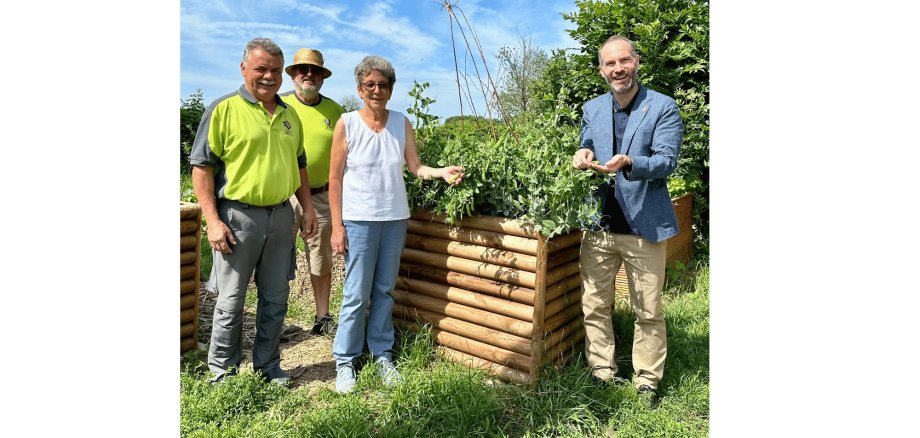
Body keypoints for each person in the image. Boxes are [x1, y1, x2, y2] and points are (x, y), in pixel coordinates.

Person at [328, 55, 464, 394]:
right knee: (356, 294)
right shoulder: (347, 123)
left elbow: (415, 166)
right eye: (370, 84)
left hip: (394, 218)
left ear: (390, 90)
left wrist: (441, 172)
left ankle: (382, 354)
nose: (377, 90)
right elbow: (334, 179)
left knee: (384, 290)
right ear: (360, 89)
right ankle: (345, 361)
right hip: (358, 219)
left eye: (383, 85)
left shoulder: (401, 123)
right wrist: (337, 226)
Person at [190, 37, 318, 386]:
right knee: (231, 302)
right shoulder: (223, 109)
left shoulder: (291, 115)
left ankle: (268, 366)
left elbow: (300, 164)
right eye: (261, 68)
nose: (268, 76)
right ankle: (222, 372)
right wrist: (212, 221)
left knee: (276, 297)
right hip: (236, 218)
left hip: (280, 217)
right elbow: (201, 168)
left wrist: (307, 207)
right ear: (244, 68)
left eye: (275, 70)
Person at [571, 35, 684, 406]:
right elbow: (587, 140)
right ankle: (602, 370)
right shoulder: (593, 108)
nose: (618, 69)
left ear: (636, 62)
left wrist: (631, 162)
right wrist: (583, 151)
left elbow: (667, 160)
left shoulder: (662, 107)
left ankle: (647, 380)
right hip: (599, 224)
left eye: (624, 61)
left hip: (643, 226)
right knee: (595, 303)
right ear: (602, 70)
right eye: (610, 64)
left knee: (647, 309)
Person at [280, 48, 345, 336]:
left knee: (321, 258)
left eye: (315, 70)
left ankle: (322, 318)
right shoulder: (277, 104)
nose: (309, 74)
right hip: (282, 195)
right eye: (302, 69)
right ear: (293, 74)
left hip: (320, 196)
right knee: (276, 259)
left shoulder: (335, 111)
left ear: (323, 77)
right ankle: (275, 322)